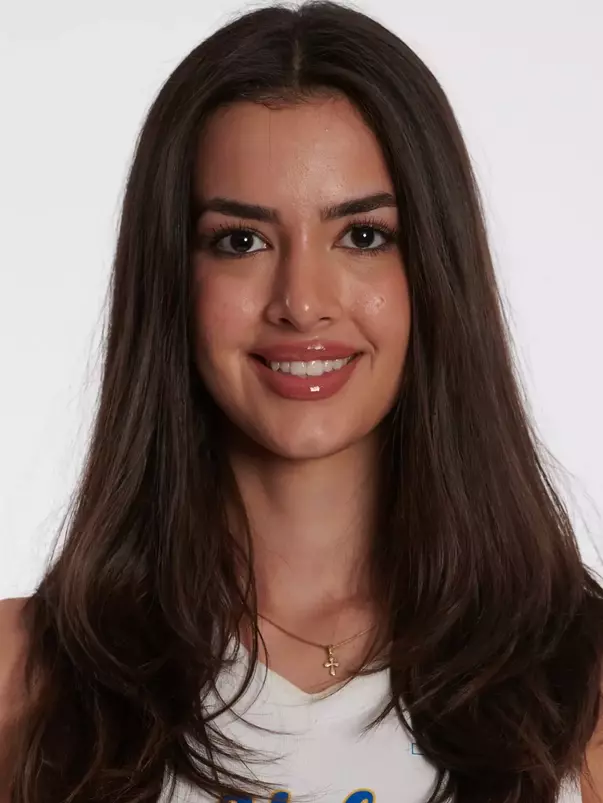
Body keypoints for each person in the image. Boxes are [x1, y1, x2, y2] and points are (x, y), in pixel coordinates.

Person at [1, 1, 602, 801]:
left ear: (432, 272)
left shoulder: (582, 679)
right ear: (172, 280)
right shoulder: (22, 677)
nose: (302, 302)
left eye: (362, 235)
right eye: (240, 240)